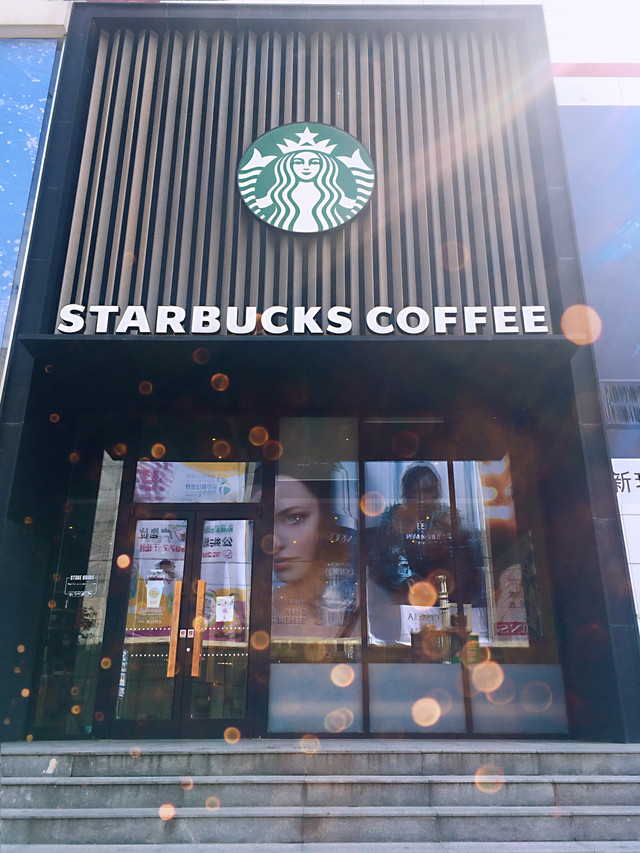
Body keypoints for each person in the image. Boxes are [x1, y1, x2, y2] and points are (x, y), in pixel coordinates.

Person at [366, 463, 482, 645]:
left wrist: (446, 554)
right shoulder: (393, 519)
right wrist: (404, 578)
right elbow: (380, 562)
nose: (421, 499)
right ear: (405, 495)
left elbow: (470, 566)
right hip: (402, 607)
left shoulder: (449, 519)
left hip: (444, 604)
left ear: (436, 492)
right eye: (414, 492)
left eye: (427, 491)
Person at [271, 474, 358, 639]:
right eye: (257, 523)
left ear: (325, 521)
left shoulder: (361, 602)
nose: (274, 542)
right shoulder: (262, 604)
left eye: (294, 517)